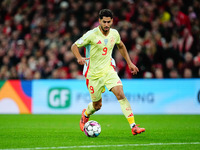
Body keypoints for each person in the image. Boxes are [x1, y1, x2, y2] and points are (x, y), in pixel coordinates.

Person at [71, 9, 145, 135]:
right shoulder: (91, 35)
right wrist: (79, 57)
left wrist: (130, 63)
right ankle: (86, 114)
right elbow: (74, 46)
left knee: (120, 94)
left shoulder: (114, 34)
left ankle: (133, 126)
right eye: (104, 22)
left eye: (108, 22)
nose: (106, 24)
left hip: (108, 70)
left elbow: (120, 45)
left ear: (112, 21)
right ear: (99, 21)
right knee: (97, 105)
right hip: (93, 75)